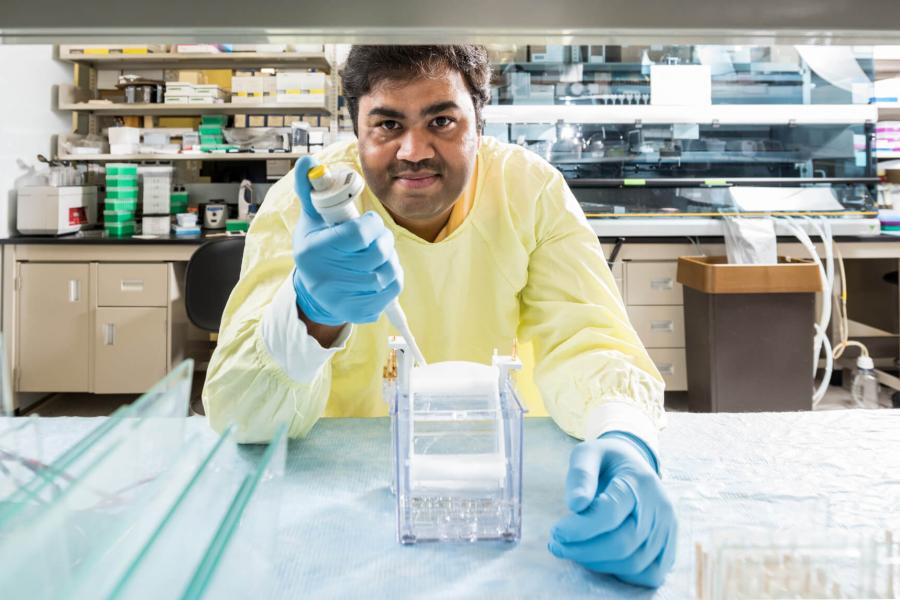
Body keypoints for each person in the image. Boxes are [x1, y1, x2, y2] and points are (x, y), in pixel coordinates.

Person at [204, 45, 677, 588]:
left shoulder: (529, 190)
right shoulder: (310, 202)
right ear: (355, 126)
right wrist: (309, 314)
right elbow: (239, 415)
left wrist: (625, 438)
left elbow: (588, 339)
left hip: (490, 497)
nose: (413, 150)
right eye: (386, 123)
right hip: (334, 507)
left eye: (442, 120)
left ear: (480, 120)